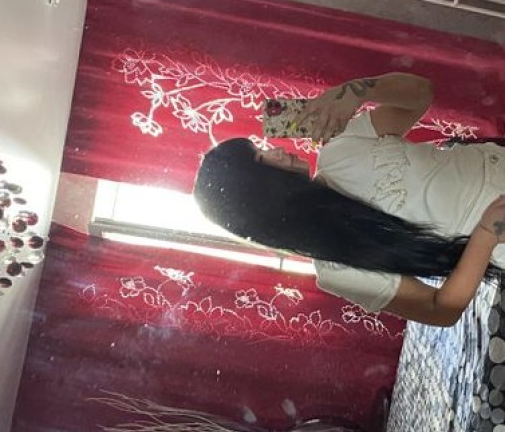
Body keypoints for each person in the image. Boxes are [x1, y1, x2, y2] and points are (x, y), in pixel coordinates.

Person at [193, 73, 505, 327]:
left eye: (262, 147)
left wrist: (358, 91)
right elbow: (440, 310)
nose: (276, 149)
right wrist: (486, 235)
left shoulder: (338, 149)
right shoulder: (335, 267)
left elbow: (421, 94)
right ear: (262, 196)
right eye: (262, 158)